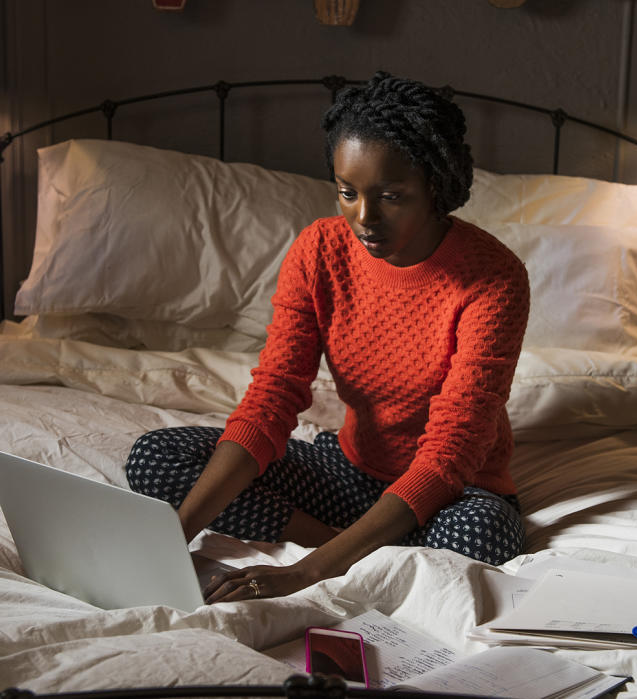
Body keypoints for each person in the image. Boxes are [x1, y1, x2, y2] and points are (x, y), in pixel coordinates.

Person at [125, 72, 531, 603]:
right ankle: (363, 552)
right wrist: (171, 540)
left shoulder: (493, 277)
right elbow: (272, 398)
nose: (365, 218)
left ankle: (354, 555)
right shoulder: (320, 249)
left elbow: (449, 454)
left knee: (481, 538)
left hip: (453, 492)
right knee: (155, 459)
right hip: (349, 474)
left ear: (435, 183)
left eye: (391, 196)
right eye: (347, 192)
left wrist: (306, 572)